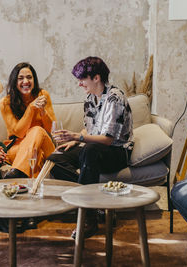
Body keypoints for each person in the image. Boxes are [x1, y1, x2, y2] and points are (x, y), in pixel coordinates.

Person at [48, 56, 134, 239]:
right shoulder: (90, 98)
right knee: (55, 159)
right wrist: (74, 141)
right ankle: (98, 204)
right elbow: (89, 128)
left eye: (82, 79)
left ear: (96, 78)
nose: (79, 84)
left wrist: (78, 137)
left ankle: (88, 220)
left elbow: (108, 140)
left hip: (118, 152)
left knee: (89, 150)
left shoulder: (114, 98)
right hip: (94, 150)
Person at [0, 62, 56, 178]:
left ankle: (17, 174)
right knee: (36, 154)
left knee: (37, 130)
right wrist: (31, 108)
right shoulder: (6, 102)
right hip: (17, 148)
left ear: (34, 80)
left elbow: (51, 130)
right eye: (20, 78)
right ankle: (33, 191)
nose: (26, 81)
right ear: (15, 82)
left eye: (29, 77)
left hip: (45, 145)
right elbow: (19, 133)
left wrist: (42, 111)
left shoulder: (43, 94)